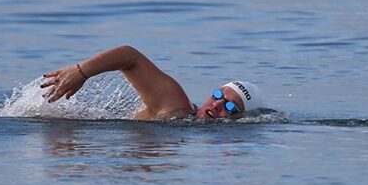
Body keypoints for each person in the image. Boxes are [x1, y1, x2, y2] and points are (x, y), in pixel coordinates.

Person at [41, 45, 262, 120]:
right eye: (217, 95)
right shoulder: (178, 106)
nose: (216, 105)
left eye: (230, 107)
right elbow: (130, 56)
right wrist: (81, 72)